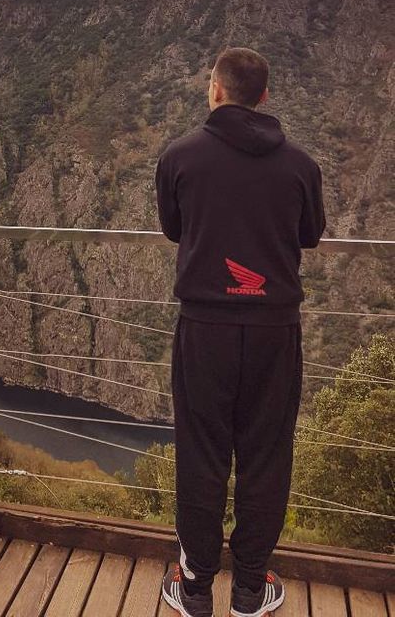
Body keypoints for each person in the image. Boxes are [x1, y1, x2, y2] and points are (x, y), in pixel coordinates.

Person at [155, 46, 326, 617]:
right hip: (275, 330)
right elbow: (310, 235)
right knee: (267, 454)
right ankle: (251, 587)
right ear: (265, 96)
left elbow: (173, 227)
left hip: (205, 329)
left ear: (215, 90)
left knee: (201, 455)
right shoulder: (301, 166)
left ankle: (195, 585)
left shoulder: (179, 158)